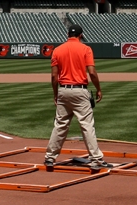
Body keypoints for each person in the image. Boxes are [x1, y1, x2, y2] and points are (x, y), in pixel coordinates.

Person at [44, 24, 110, 170]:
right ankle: (96, 159)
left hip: (63, 90)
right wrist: (99, 89)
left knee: (60, 125)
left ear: (68, 35)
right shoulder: (85, 49)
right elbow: (92, 72)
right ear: (80, 35)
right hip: (80, 91)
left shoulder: (58, 50)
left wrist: (56, 94)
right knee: (87, 126)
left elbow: (54, 76)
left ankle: (50, 157)